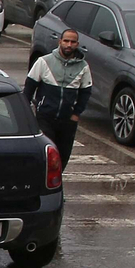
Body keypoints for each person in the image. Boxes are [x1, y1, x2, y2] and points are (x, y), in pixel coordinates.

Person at [24, 27, 92, 168]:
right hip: (45, 117)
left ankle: (56, 182)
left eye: (73, 42)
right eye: (66, 41)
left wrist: (76, 114)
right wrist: (27, 113)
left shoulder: (83, 67)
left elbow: (85, 92)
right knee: (47, 153)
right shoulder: (44, 62)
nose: (69, 45)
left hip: (68, 120)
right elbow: (29, 89)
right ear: (59, 42)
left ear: (77, 44)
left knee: (63, 155)